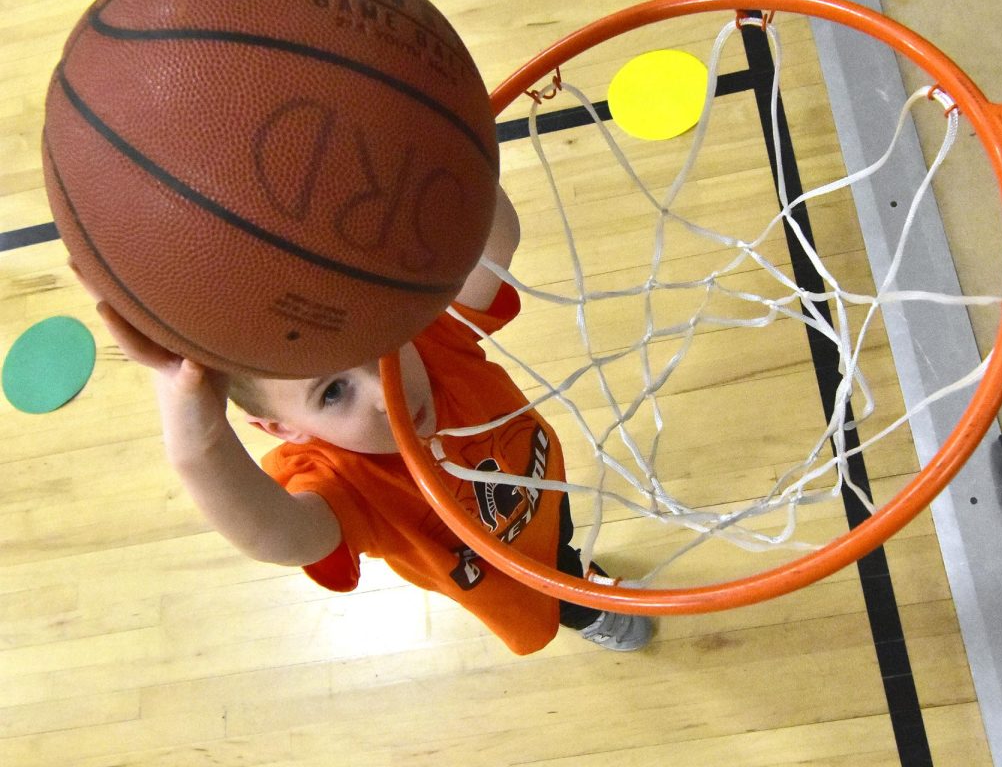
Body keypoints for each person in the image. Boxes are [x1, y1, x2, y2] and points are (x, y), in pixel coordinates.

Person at [75, 185, 653, 655]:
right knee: (557, 594)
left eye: (374, 343)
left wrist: (444, 150)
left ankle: (580, 578)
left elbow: (494, 241)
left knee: (566, 549)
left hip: (542, 490)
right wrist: (195, 445)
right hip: (502, 575)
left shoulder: (428, 335)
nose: (387, 390)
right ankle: (584, 611)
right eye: (332, 393)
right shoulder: (340, 483)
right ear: (283, 429)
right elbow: (276, 535)